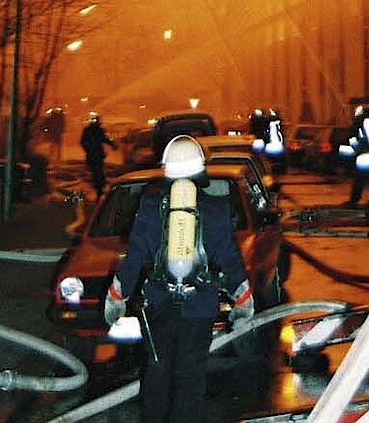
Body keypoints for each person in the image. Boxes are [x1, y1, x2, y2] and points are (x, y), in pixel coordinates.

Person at [104, 135, 254, 423]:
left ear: (166, 169)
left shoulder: (150, 206)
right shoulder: (216, 209)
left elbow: (134, 256)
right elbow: (230, 259)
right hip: (200, 307)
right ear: (200, 170)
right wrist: (243, 300)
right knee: (191, 377)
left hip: (159, 304)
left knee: (157, 372)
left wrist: (116, 296)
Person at [80, 113, 116, 199]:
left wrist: (112, 144)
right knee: (97, 171)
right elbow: (83, 142)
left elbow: (104, 139)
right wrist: (88, 148)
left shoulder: (95, 130)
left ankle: (99, 187)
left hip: (96, 154)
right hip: (94, 154)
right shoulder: (91, 130)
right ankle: (99, 187)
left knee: (97, 171)